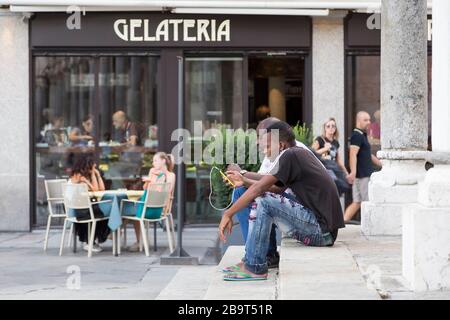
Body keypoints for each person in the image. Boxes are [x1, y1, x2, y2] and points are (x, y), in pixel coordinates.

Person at [219, 121, 345, 281]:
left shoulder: (290, 156)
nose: (265, 150)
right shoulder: (296, 153)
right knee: (264, 196)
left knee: (263, 200)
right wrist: (243, 179)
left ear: (280, 144)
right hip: (323, 230)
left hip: (321, 233)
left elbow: (260, 189)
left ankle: (255, 266)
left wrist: (228, 214)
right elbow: (275, 187)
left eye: (268, 146)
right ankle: (258, 258)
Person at [126, 152, 176, 252]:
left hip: (161, 208)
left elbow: (166, 190)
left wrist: (153, 180)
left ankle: (140, 241)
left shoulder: (170, 175)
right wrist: (150, 179)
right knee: (133, 209)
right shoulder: (152, 171)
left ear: (163, 161)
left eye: (155, 160)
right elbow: (146, 189)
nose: (153, 163)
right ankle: (141, 241)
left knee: (131, 211)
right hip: (148, 205)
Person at [344, 111, 382, 223]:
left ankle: (342, 222)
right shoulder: (356, 135)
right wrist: (353, 172)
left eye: (369, 120)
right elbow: (353, 154)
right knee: (366, 202)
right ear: (358, 121)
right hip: (362, 176)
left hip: (362, 175)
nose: (369, 122)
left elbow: (368, 155)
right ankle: (369, 224)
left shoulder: (362, 135)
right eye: (365, 120)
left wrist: (382, 164)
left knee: (357, 202)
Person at [69, 155, 110, 253]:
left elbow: (101, 189)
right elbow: (95, 189)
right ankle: (91, 242)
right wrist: (88, 180)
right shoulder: (78, 175)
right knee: (103, 211)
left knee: (104, 211)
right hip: (77, 208)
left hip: (85, 206)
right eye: (93, 166)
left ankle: (92, 241)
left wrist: (97, 175)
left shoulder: (86, 176)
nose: (94, 168)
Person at [311, 117, 350, 195]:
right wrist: (325, 149)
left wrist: (346, 173)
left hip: (333, 169)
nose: (331, 128)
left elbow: (338, 160)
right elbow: (311, 153)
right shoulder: (320, 139)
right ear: (324, 128)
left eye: (333, 126)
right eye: (328, 126)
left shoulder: (335, 142)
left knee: (338, 189)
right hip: (323, 169)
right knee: (330, 189)